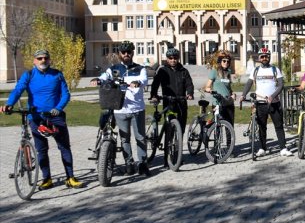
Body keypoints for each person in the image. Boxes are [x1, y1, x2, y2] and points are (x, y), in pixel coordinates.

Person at [1, 50, 82, 189]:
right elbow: (18, 89)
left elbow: (66, 95)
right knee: (41, 150)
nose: (43, 60)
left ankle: (70, 177)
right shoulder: (29, 75)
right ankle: (47, 179)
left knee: (64, 147)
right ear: (34, 61)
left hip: (55, 116)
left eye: (46, 58)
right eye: (39, 58)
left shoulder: (57, 74)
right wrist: (9, 103)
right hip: (36, 117)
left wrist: (59, 108)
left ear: (49, 60)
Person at [91, 41, 150, 176]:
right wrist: (98, 80)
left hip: (137, 109)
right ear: (120, 54)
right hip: (120, 109)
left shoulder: (139, 69)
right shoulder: (114, 69)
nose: (126, 54)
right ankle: (129, 164)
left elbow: (144, 80)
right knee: (125, 139)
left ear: (132, 53)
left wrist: (138, 82)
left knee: (140, 137)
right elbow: (104, 77)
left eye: (129, 52)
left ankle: (142, 164)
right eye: (124, 52)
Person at [241, 47, 290, 157]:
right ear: (259, 58)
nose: (264, 58)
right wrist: (243, 94)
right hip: (260, 103)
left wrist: (273, 96)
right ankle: (262, 148)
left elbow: (281, 85)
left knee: (279, 126)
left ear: (269, 57)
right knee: (262, 126)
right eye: (262, 57)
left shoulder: (275, 69)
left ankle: (283, 148)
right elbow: (249, 83)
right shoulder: (256, 70)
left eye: (266, 56)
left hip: (274, 103)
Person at [149, 48, 194, 167]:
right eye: (170, 58)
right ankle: (166, 159)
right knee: (169, 130)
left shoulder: (184, 71)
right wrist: (154, 95)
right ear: (167, 59)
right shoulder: (162, 70)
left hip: (181, 102)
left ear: (178, 58)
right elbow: (155, 83)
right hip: (168, 102)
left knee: (181, 130)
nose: (173, 60)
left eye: (175, 58)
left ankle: (178, 156)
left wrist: (189, 93)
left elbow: (189, 84)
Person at [204, 51, 236, 127]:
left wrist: (233, 94)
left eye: (228, 61)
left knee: (230, 125)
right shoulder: (214, 72)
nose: (226, 63)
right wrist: (209, 90)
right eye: (224, 61)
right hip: (218, 103)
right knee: (217, 126)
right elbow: (207, 86)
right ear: (220, 61)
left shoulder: (228, 72)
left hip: (228, 102)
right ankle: (215, 137)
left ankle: (230, 139)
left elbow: (228, 87)